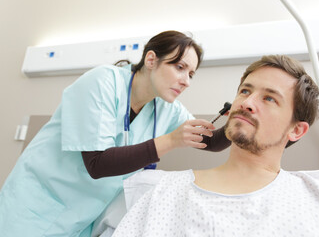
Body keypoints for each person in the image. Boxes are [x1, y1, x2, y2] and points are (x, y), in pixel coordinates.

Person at [0, 30, 231, 237]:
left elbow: (210, 142)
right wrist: (170, 140)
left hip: (82, 217)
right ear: (151, 60)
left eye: (191, 74)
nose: (186, 81)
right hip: (35, 207)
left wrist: (242, 117)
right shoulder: (102, 82)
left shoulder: (165, 108)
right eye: (179, 67)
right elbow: (97, 163)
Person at [111, 55, 319, 237]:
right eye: (244, 91)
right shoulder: (162, 194)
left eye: (269, 98)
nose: (247, 102)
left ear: (296, 130)